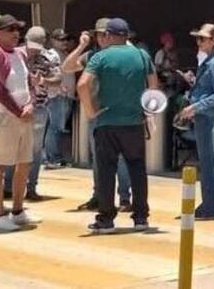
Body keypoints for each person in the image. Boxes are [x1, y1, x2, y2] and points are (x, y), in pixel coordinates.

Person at [78, 18, 156, 234]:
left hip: (107, 122)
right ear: (127, 35)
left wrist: (91, 111)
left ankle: (106, 220)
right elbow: (153, 87)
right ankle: (141, 217)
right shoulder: (142, 55)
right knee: (137, 169)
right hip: (133, 122)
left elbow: (83, 84)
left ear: (109, 35)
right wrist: (147, 112)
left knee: (106, 171)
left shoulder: (101, 57)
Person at [61, 18, 133, 212]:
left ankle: (125, 197)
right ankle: (99, 196)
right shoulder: (92, 55)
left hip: (115, 112)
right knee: (98, 159)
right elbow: (67, 67)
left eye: (105, 34)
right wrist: (81, 45)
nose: (102, 38)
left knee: (120, 158)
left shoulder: (123, 54)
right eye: (99, 34)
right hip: (96, 114)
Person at [0, 14, 42, 232]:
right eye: (10, 29)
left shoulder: (19, 54)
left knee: (24, 162)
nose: (16, 33)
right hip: (3, 116)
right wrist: (18, 111)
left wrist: (31, 104)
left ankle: (17, 209)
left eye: (17, 29)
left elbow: (29, 83)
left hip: (22, 115)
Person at [176, 23, 214, 219]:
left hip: (205, 115)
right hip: (205, 114)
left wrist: (194, 107)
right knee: (207, 161)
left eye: (202, 39)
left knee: (206, 161)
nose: (198, 42)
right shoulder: (213, 61)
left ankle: (210, 206)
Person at [23, 25, 63, 200]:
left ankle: (31, 186)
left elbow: (58, 78)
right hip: (15, 107)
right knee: (13, 147)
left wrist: (43, 80)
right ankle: (9, 186)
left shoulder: (50, 56)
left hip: (39, 106)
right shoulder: (15, 54)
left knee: (35, 150)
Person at [45, 28, 75, 168]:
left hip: (67, 96)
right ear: (52, 40)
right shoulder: (51, 54)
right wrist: (58, 88)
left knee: (60, 127)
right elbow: (48, 74)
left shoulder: (65, 54)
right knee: (55, 127)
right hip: (58, 96)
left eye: (66, 39)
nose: (64, 42)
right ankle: (52, 158)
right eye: (60, 39)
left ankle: (57, 157)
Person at [153, 31, 181, 95]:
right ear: (165, 43)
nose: (172, 43)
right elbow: (157, 68)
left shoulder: (173, 53)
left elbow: (177, 65)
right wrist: (167, 68)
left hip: (173, 81)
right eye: (169, 42)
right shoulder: (160, 53)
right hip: (164, 81)